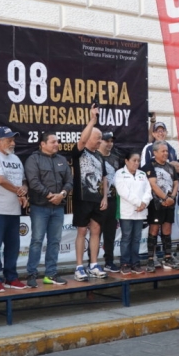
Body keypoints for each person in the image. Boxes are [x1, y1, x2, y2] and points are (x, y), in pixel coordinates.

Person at [0, 126, 28, 292]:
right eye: (9, 140)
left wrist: (24, 190)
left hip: (13, 209)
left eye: (13, 140)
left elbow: (23, 181)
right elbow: (0, 180)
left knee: (13, 246)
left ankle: (11, 277)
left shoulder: (16, 158)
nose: (13, 143)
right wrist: (18, 191)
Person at [24, 132, 72, 288]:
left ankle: (51, 274)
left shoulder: (62, 160)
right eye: (53, 142)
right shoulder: (33, 159)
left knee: (55, 241)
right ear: (43, 144)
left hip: (58, 208)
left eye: (57, 141)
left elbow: (69, 181)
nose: (57, 144)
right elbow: (33, 182)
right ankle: (32, 274)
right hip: (40, 207)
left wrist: (62, 194)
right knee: (37, 240)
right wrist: (50, 195)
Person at [71, 105, 108, 281]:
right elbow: (82, 139)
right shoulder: (80, 152)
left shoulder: (100, 156)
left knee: (96, 230)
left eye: (101, 138)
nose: (100, 141)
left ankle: (93, 264)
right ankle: (79, 266)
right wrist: (93, 120)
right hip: (82, 198)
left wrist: (105, 197)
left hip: (97, 199)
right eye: (98, 138)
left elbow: (104, 178)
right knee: (81, 231)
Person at [143, 141, 179, 271]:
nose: (166, 153)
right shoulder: (149, 166)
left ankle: (168, 257)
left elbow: (176, 183)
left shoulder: (170, 167)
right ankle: (150, 259)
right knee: (154, 230)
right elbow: (153, 185)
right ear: (155, 152)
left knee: (167, 230)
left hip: (169, 204)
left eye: (167, 151)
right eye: (163, 151)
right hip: (156, 204)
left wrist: (172, 198)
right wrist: (165, 198)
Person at [115, 151, 152, 274]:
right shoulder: (120, 173)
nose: (136, 163)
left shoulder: (142, 174)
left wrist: (144, 203)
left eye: (138, 161)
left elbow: (148, 191)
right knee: (126, 237)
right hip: (126, 212)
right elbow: (123, 192)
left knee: (136, 238)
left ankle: (135, 263)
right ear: (126, 161)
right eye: (134, 160)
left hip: (140, 212)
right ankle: (125, 263)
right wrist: (139, 203)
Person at [97, 132, 120, 272]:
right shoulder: (95, 157)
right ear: (100, 141)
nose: (110, 143)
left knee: (110, 233)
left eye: (111, 141)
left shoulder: (116, 158)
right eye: (107, 141)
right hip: (97, 200)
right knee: (96, 233)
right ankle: (92, 262)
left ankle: (109, 261)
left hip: (112, 200)